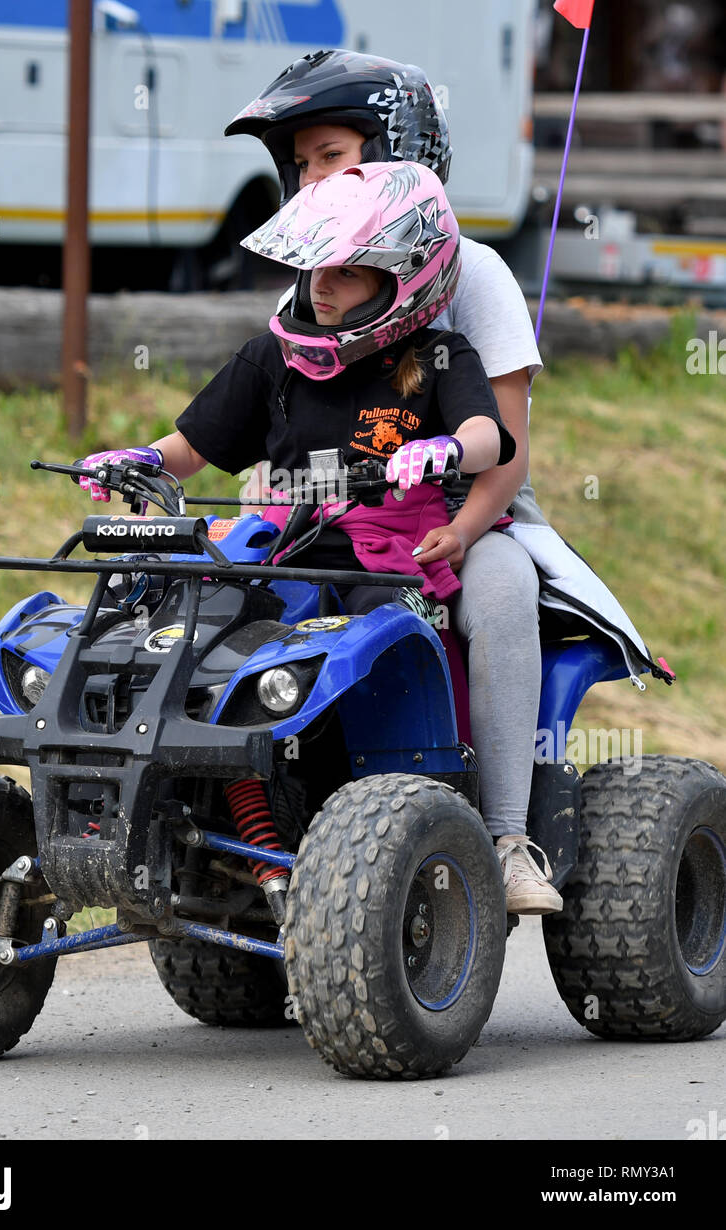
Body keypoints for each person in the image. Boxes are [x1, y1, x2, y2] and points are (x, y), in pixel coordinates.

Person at [222, 48, 674, 912]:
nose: (312, 177)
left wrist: (464, 535)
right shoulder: (310, 277)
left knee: (500, 597)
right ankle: (247, 814)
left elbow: (506, 453)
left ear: (400, 152)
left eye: (331, 157)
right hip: (333, 514)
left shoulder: (477, 273)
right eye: (302, 163)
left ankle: (506, 838)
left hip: (474, 510)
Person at [77, 159, 566, 915]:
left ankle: (499, 838)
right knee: (196, 629)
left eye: (345, 271)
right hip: (292, 548)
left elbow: (487, 434)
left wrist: (447, 456)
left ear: (403, 277)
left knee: (411, 637)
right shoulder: (274, 355)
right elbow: (192, 444)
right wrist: (138, 459)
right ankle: (198, 806)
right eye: (312, 269)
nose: (320, 286)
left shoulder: (439, 355)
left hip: (398, 551)